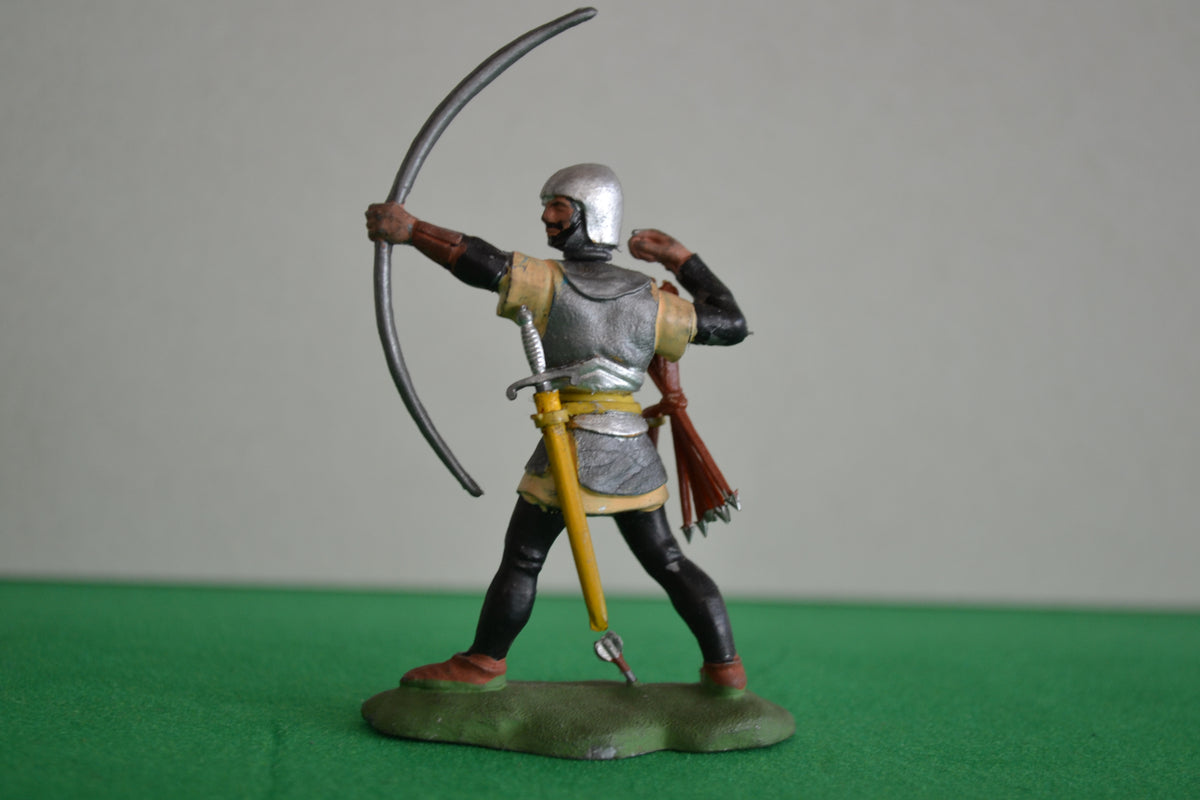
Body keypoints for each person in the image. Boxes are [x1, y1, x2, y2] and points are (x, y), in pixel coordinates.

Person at [365, 163, 750, 692]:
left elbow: (478, 260)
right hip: (631, 447)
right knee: (667, 560)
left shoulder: (546, 282)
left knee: (524, 559)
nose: (547, 218)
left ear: (591, 216)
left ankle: (482, 664)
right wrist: (681, 260)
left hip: (570, 444)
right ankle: (726, 667)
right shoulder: (654, 301)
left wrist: (412, 230)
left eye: (559, 208)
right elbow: (730, 322)